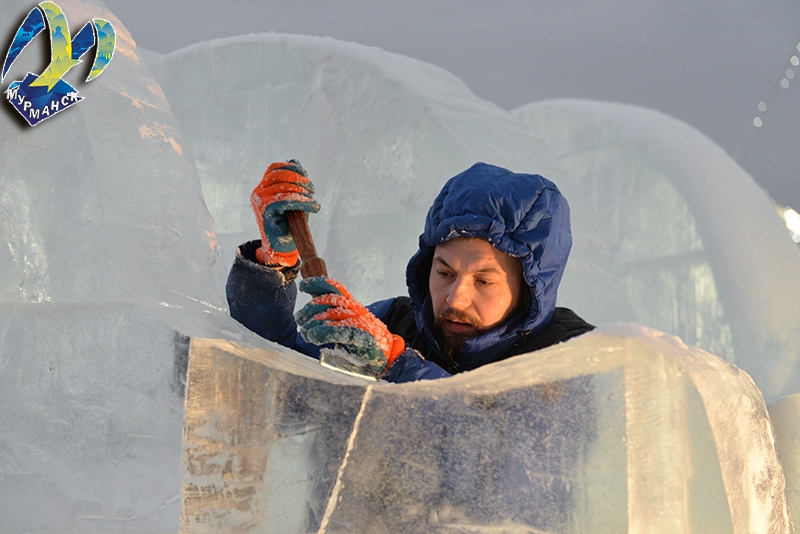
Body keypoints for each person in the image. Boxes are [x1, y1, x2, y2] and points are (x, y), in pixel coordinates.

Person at [226, 160, 593, 383]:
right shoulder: (395, 323)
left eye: (483, 280)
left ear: (530, 288)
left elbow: (499, 456)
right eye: (444, 273)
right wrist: (272, 263)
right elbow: (275, 377)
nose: (455, 299)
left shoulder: (572, 359)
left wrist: (397, 366)